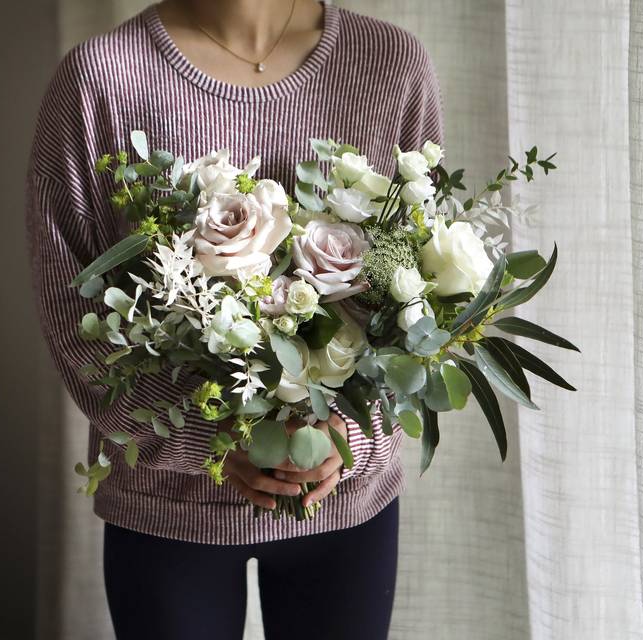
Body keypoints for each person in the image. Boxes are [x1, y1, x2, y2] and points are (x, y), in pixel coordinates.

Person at [24, 0, 443, 637]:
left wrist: (347, 440)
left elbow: (426, 289)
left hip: (344, 510)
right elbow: (70, 311)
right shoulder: (98, 78)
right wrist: (210, 438)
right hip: (166, 513)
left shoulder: (391, 65)